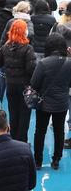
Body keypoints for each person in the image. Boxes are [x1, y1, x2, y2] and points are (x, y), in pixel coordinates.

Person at [30, 33, 71, 170]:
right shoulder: (69, 62)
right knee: (59, 132)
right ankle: (56, 160)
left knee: (40, 131)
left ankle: (38, 161)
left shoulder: (43, 63)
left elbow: (34, 83)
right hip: (62, 103)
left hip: (44, 104)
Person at [0, 20, 36, 143]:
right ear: (24, 32)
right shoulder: (28, 48)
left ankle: (14, 140)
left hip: (10, 85)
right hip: (24, 87)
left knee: (13, 113)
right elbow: (31, 68)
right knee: (24, 115)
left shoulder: (6, 47)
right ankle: (22, 141)